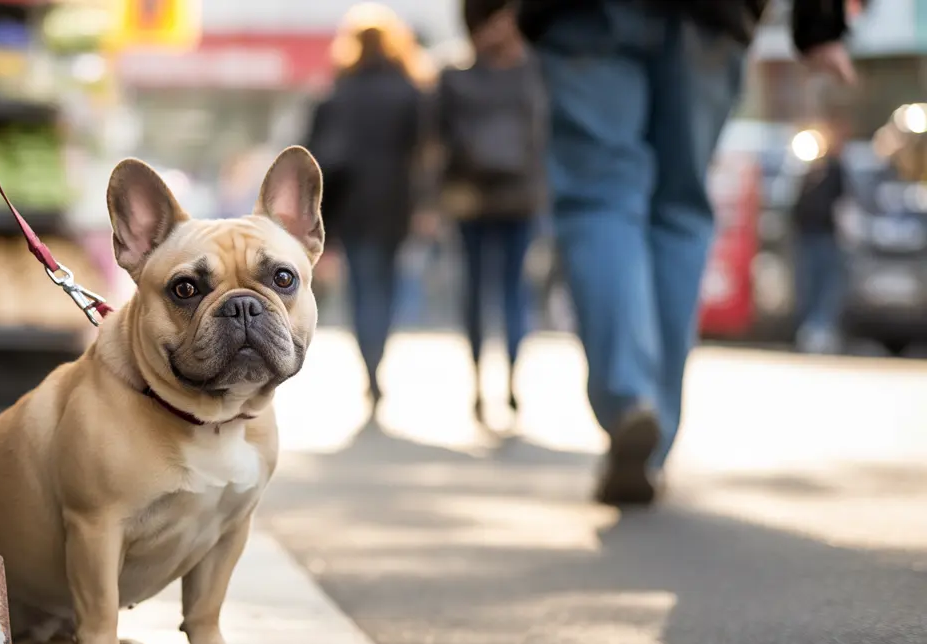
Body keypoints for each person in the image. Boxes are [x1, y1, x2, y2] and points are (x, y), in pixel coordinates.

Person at [506, 0, 858, 504]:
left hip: (585, 16)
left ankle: (630, 395)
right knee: (679, 211)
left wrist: (487, 13)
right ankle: (654, 440)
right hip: (713, 15)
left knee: (600, 199)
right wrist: (820, 23)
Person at [305, 3, 430, 412]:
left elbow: (314, 158)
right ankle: (378, 362)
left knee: (361, 290)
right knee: (387, 287)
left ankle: (370, 370)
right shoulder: (409, 92)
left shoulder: (338, 93)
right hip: (395, 204)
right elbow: (425, 153)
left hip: (351, 207)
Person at [437, 0, 548, 425]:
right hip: (492, 201)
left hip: (497, 200)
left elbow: (437, 144)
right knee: (495, 293)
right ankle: (486, 382)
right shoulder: (532, 74)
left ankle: (505, 381)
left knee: (497, 292)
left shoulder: (457, 76)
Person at [791, 118, 850, 355]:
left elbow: (844, 201)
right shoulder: (804, 169)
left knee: (827, 284)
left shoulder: (835, 169)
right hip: (806, 236)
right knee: (807, 284)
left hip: (827, 236)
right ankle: (807, 328)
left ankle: (822, 328)